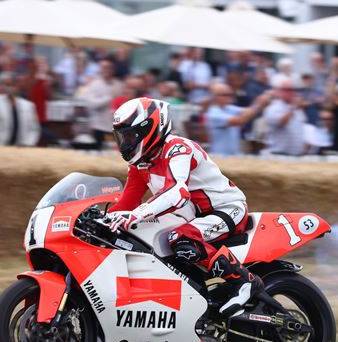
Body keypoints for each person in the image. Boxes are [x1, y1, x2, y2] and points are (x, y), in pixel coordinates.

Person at [106, 97, 263, 317]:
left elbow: (177, 193)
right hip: (194, 216)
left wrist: (137, 214)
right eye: (122, 137)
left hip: (227, 209)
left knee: (180, 239)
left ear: (149, 129)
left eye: (130, 136)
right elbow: (126, 202)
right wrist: (102, 219)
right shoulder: (141, 164)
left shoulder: (178, 149)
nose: (125, 143)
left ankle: (245, 281)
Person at [205, 83, 271, 155]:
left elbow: (249, 111)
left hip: (232, 154)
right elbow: (240, 121)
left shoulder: (228, 108)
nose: (229, 97)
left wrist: (263, 100)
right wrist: (259, 104)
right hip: (219, 154)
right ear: (214, 96)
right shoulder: (213, 113)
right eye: (225, 95)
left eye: (230, 94)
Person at [0, 72, 40, 146]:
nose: (9, 88)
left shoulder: (28, 106)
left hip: (19, 149)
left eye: (12, 85)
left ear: (18, 86)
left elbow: (34, 129)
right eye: (7, 85)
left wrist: (27, 143)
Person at [84, 60, 123, 150]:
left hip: (115, 127)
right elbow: (92, 104)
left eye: (109, 68)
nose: (107, 70)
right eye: (104, 68)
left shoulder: (119, 85)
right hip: (99, 127)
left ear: (113, 69)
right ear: (100, 69)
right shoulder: (94, 84)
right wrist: (109, 98)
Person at [262, 78, 306, 155]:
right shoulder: (273, 108)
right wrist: (293, 107)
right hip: (279, 153)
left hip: (297, 154)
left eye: (293, 90)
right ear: (279, 91)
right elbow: (282, 122)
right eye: (287, 90)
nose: (292, 92)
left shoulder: (297, 108)